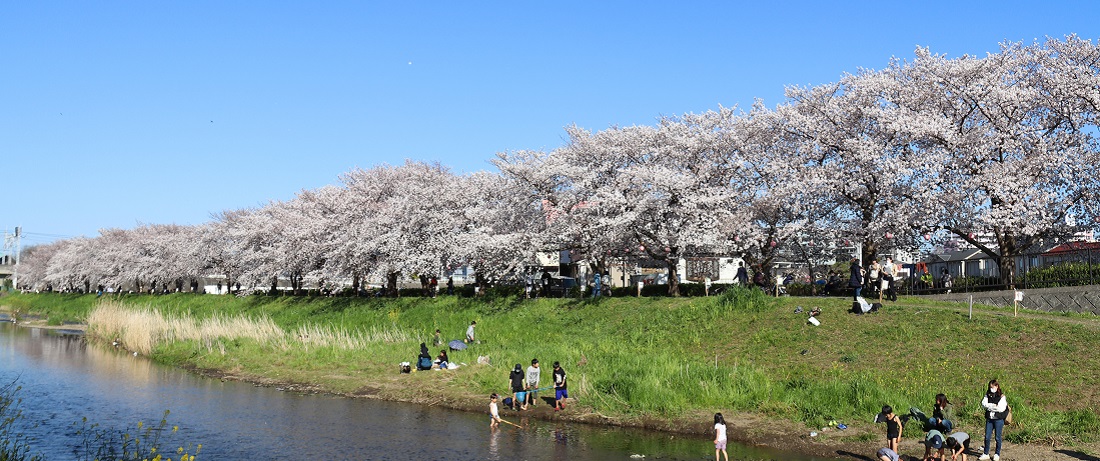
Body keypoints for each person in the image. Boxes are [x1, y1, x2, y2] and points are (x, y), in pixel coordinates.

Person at [980, 380, 1008, 461]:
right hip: (989, 419)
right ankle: (986, 453)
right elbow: (984, 404)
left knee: (998, 437)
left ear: (997, 386)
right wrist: (993, 406)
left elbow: (1001, 408)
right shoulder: (987, 395)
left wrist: (990, 406)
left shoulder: (1002, 396)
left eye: (992, 387)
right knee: (987, 437)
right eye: (990, 387)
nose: (991, 389)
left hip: (998, 420)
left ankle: (997, 454)